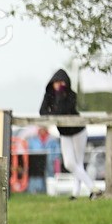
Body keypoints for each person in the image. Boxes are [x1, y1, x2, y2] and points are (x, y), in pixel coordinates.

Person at [40, 69, 96, 199]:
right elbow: (43, 112)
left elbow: (63, 110)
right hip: (64, 133)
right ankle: (92, 187)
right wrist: (55, 111)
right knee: (70, 163)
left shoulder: (71, 95)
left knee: (79, 163)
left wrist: (60, 95)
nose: (58, 85)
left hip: (78, 131)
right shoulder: (48, 95)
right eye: (56, 83)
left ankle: (75, 193)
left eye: (61, 83)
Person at [24, 126, 61, 194]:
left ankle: (49, 191)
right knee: (36, 176)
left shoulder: (53, 139)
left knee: (49, 175)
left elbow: (57, 153)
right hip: (35, 164)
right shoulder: (32, 139)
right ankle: (35, 190)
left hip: (49, 164)